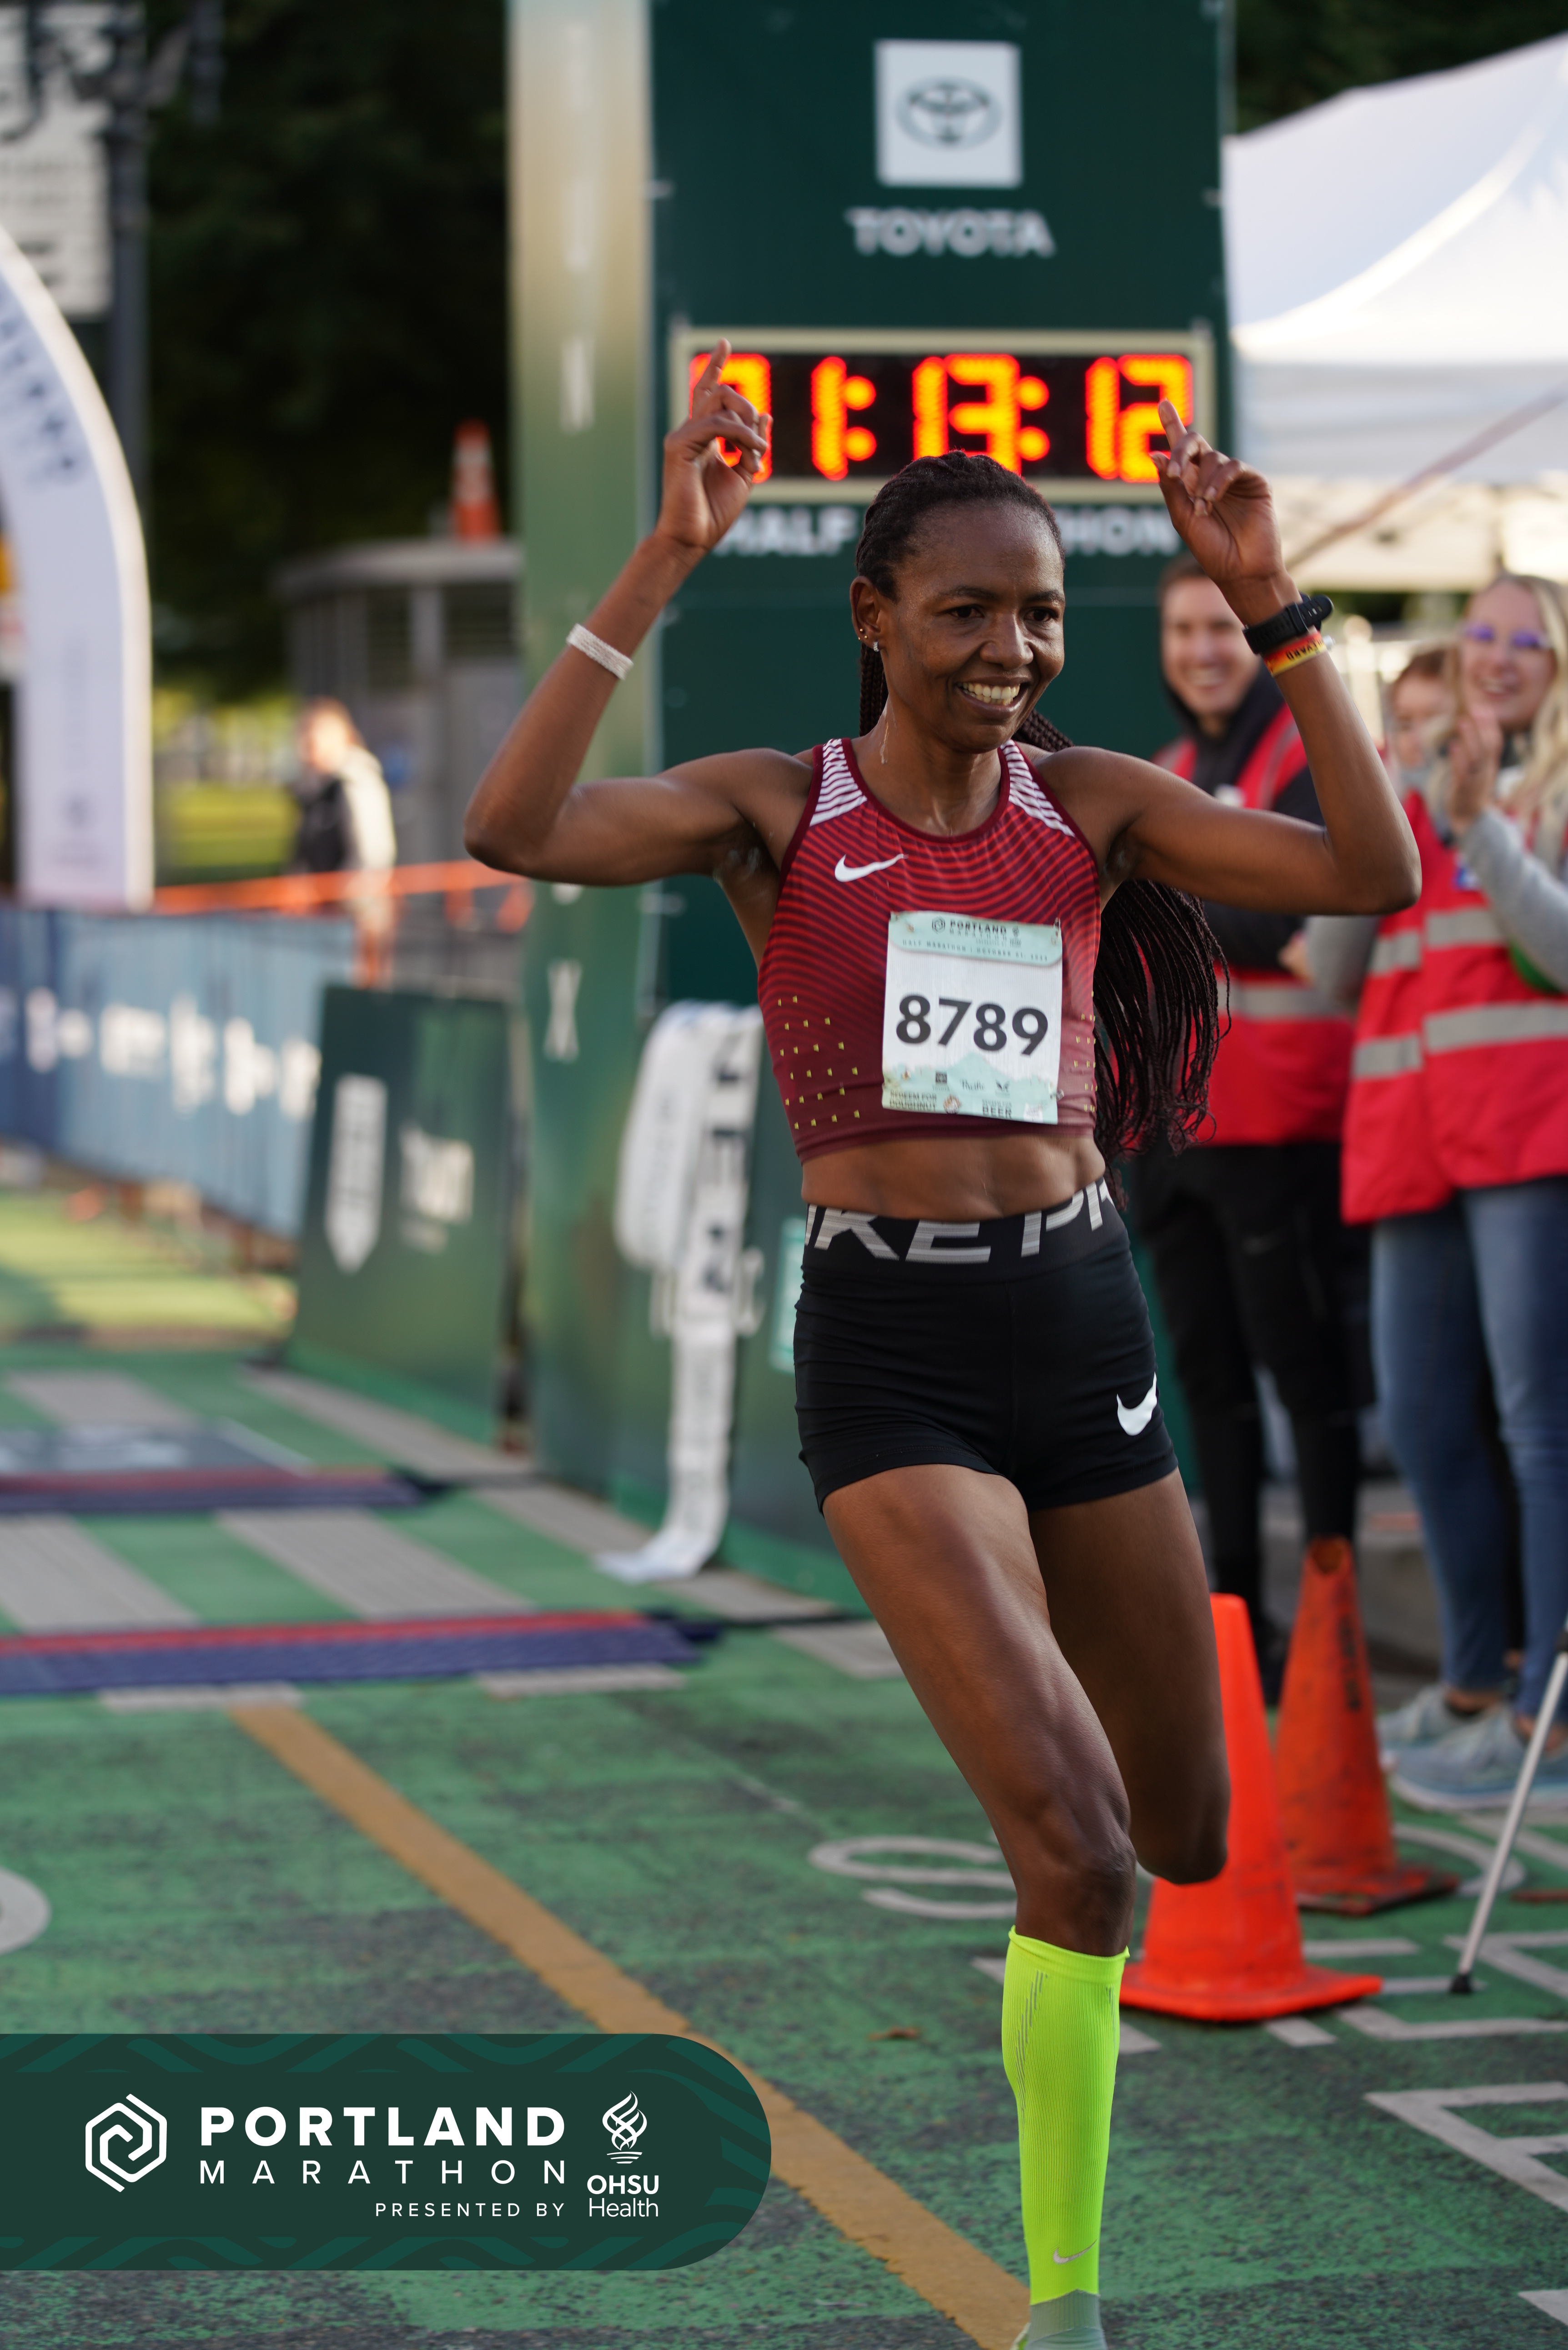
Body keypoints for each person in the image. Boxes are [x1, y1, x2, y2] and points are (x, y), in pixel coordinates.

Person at [463, 345, 1416, 2350]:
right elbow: (513, 821)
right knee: (1075, 1850)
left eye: (1040, 614)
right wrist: (658, 559)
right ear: (875, 618)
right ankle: (1065, 2297)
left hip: (1080, 1317)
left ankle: (1040, 1734)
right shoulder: (775, 808)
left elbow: (1367, 872)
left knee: (1187, 1832)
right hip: (892, 1348)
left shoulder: (1092, 802)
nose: (1010, 649)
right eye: (967, 610)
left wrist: (1273, 600)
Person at [1318, 578, 1568, 1807]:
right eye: (1482, 635)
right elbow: (1335, 965)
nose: (1501, 658)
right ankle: (1477, 1684)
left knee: (1537, 1429)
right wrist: (1388, 803)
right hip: (1416, 1137)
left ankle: (1545, 1721)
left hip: (1531, 1137)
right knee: (1420, 1419)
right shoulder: (1416, 778)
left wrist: (1478, 829)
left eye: (1530, 641)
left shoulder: (1544, 797)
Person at [1128, 556, 1365, 1688]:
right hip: (1174, 1136)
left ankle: (1329, 1637)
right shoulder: (1170, 771)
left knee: (1305, 1383)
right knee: (1208, 1389)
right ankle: (1235, 1631)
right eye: (1182, 630)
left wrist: (1173, 893)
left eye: (1220, 628)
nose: (1201, 650)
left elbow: (1306, 918)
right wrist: (1218, 892)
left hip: (1280, 1129)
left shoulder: (1305, 759)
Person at [292, 698, 397, 876]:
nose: (304, 743)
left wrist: (346, 891)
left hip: (349, 892)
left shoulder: (356, 782)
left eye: (311, 735)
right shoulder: (314, 789)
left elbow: (372, 858)